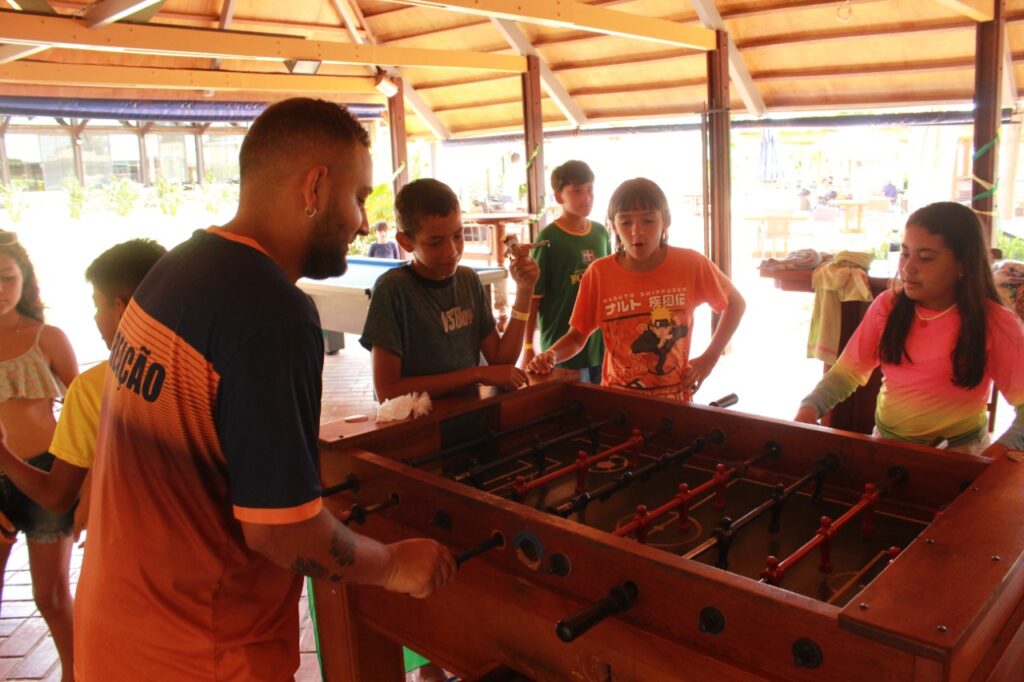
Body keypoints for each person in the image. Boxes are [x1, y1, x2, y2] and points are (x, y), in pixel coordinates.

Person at [74, 98, 456, 681]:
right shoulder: (273, 313)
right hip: (202, 653)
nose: (359, 220)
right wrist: (392, 564)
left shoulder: (176, 268)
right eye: (357, 198)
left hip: (116, 632)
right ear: (315, 187)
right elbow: (281, 532)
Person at [795, 202, 1024, 457]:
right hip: (887, 445)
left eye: (926, 257)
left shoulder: (995, 322)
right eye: (905, 253)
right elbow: (847, 373)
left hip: (962, 452)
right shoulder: (888, 307)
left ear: (963, 264)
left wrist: (994, 459)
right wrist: (811, 407)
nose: (908, 267)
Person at [0, 238, 167, 540]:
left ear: (121, 309)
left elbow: (58, 494)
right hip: (222, 560)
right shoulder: (219, 370)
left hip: (132, 549)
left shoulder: (94, 386)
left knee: (53, 589)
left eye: (96, 305)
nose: (93, 317)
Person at [527, 178, 746, 401]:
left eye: (648, 220)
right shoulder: (599, 273)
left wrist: (709, 359)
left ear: (665, 221)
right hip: (618, 400)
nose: (636, 231)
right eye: (625, 222)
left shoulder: (691, 264)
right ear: (613, 225)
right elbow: (577, 336)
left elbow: (736, 303)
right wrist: (551, 355)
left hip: (677, 400)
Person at [361, 178, 539, 401]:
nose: (452, 251)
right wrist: (477, 374)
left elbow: (501, 361)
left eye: (458, 235)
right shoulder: (393, 290)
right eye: (435, 242)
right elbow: (387, 390)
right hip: (420, 428)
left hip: (472, 417)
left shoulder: (468, 280)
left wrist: (524, 291)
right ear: (406, 242)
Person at [0, 230, 78, 682]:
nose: (0, 291)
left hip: (46, 476)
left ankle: (76, 671)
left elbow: (84, 408)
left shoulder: (47, 337)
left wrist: (83, 486)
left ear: (25, 279)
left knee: (49, 596)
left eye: (7, 278)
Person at [522, 160, 610, 383]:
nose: (587, 197)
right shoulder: (547, 239)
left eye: (590, 189)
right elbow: (534, 297)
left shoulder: (600, 232)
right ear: (559, 197)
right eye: (577, 191)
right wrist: (528, 347)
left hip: (599, 343)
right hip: (561, 344)